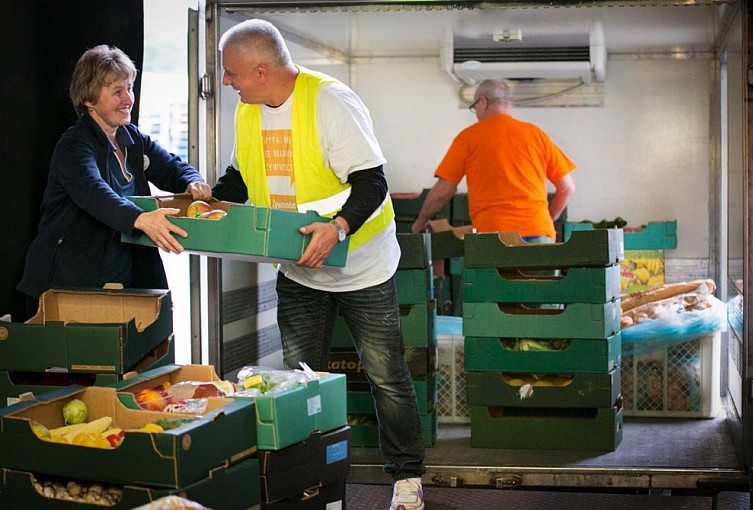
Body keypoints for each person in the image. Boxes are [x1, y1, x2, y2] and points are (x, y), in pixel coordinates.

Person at [212, 19, 426, 510]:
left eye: (231, 73)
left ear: (262, 70)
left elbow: (372, 182)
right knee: (301, 380)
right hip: (299, 269)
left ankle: (408, 476)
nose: (226, 82)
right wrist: (205, 205)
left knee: (386, 375)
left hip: (362, 268)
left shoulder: (329, 101)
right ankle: (308, 479)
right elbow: (239, 179)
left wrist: (338, 227)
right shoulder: (248, 112)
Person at [17, 45, 211, 319]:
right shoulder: (74, 145)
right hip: (67, 285)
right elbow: (94, 193)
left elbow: (172, 167)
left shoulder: (132, 137)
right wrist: (142, 219)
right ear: (90, 99)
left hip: (124, 282)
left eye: (129, 88)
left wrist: (193, 182)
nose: (128, 98)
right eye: (117, 91)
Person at [411, 79, 576, 243]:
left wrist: (420, 222)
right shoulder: (536, 135)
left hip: (495, 238)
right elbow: (567, 189)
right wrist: (547, 221)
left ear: (482, 102)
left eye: (474, 107)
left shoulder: (468, 138)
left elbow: (442, 192)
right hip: (540, 235)